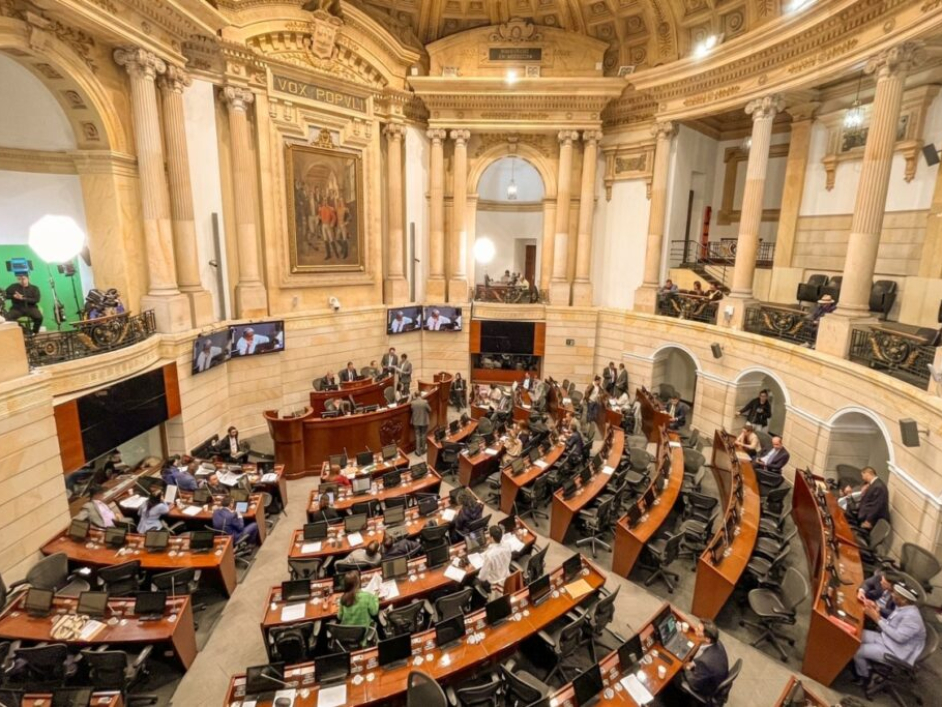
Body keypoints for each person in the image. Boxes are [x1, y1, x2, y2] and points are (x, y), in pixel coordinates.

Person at [853, 582, 926, 684]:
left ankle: (865, 676)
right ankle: (866, 666)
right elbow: (891, 625)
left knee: (856, 651)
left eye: (895, 594)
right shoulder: (903, 607)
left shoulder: (912, 618)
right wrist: (876, 612)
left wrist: (877, 619)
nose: (892, 595)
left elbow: (899, 637)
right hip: (886, 639)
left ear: (904, 600)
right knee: (854, 635)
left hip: (895, 651)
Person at [681, 619, 729, 701]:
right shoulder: (717, 643)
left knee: (677, 675)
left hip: (708, 689)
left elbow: (694, 684)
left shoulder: (705, 662)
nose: (695, 629)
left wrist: (686, 668)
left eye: (699, 630)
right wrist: (694, 663)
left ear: (707, 639)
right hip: (715, 677)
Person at [476, 525, 513, 596]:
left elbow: (482, 577)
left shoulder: (490, 556)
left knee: (474, 581)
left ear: (491, 537)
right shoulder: (507, 546)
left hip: (494, 584)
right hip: (506, 578)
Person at [410, 390, 431, 455]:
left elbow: (412, 409)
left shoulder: (413, 403)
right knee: (423, 434)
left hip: (416, 421)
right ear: (420, 395)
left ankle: (418, 451)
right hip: (424, 421)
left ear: (415, 396)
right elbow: (430, 410)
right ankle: (423, 449)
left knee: (417, 436)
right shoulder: (425, 402)